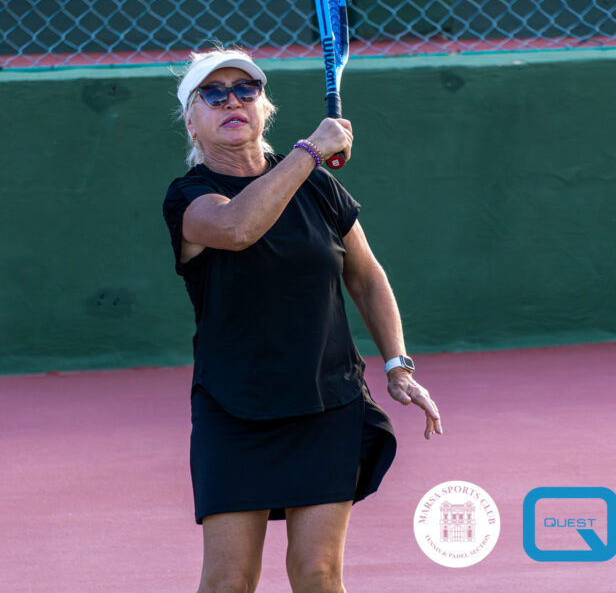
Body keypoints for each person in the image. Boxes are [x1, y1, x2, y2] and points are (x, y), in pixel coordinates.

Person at [162, 47, 443, 593]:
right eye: (213, 95)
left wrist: (398, 365)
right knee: (229, 580)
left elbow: (365, 276)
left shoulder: (319, 188)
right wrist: (311, 150)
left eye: (246, 90)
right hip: (234, 409)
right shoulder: (189, 198)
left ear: (265, 108)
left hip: (326, 402)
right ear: (192, 122)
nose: (232, 101)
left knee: (317, 574)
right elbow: (239, 228)